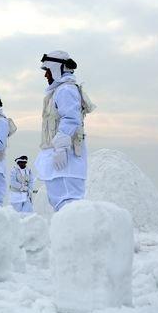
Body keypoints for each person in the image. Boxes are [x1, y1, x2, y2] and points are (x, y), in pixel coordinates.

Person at [35, 51, 95, 211]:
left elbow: (71, 118)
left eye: (47, 70)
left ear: (57, 69)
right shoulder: (58, 91)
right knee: (61, 204)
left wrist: (61, 147)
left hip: (67, 158)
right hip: (59, 159)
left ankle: (75, 236)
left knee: (69, 204)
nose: (46, 75)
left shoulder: (65, 90)